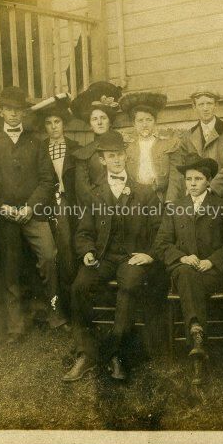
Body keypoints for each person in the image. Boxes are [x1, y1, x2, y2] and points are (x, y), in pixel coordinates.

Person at [64, 130, 162, 383]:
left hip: (133, 256)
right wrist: (87, 251)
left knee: (128, 284)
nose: (116, 160)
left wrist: (150, 254)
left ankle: (116, 353)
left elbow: (160, 229)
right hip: (104, 256)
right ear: (102, 160)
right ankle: (86, 353)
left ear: (125, 156)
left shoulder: (144, 192)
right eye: (111, 156)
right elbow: (84, 232)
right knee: (79, 287)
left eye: (119, 154)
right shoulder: (95, 193)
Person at [153, 154, 223, 385]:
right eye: (189, 179)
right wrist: (183, 257)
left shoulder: (222, 207)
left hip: (212, 272)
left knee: (189, 280)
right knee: (185, 273)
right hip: (183, 268)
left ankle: (194, 330)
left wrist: (211, 261)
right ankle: (198, 343)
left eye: (198, 179)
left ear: (208, 181)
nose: (192, 183)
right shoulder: (175, 207)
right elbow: (161, 244)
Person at [0, 85, 60, 343]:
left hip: (33, 213)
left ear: (24, 113)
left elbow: (48, 180)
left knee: (49, 256)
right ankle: (16, 326)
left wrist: (30, 207)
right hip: (5, 215)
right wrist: (2, 207)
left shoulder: (36, 142)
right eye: (9, 109)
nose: (14, 114)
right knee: (10, 266)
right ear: (1, 112)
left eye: (18, 110)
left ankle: (55, 314)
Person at [30, 92, 80, 326]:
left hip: (70, 206)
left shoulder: (75, 148)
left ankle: (71, 309)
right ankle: (54, 309)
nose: (53, 127)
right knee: (50, 257)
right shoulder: (39, 149)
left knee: (68, 252)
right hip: (45, 206)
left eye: (57, 122)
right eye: (49, 123)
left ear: (63, 124)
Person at [166, 90, 223, 204]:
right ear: (194, 107)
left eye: (209, 103)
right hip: (198, 200)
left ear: (216, 105)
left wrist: (209, 189)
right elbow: (179, 170)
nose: (205, 108)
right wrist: (171, 200)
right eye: (201, 104)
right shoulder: (187, 137)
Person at [119, 91, 182, 202]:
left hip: (160, 197)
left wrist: (170, 200)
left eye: (149, 120)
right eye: (140, 120)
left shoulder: (168, 144)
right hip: (135, 199)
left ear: (155, 121)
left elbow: (175, 176)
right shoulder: (127, 147)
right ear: (134, 123)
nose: (144, 125)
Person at [70, 81, 123, 208]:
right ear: (90, 125)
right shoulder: (84, 154)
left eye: (103, 118)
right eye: (94, 119)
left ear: (110, 121)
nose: (99, 122)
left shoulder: (123, 147)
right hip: (98, 209)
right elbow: (83, 192)